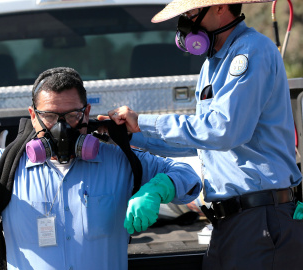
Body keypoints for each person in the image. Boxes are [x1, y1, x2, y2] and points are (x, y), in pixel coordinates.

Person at [0, 67, 201, 270]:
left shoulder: (120, 162)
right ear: (33, 117)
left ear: (87, 113)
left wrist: (158, 189)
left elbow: (189, 178)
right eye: (50, 116)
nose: (61, 126)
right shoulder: (5, 166)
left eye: (71, 115)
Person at [99, 1, 303, 269]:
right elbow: (204, 143)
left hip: (260, 218)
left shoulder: (251, 51)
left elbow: (222, 131)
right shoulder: (213, 63)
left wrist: (143, 122)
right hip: (233, 222)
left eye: (191, 13)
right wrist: (128, 136)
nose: (185, 22)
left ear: (220, 7)